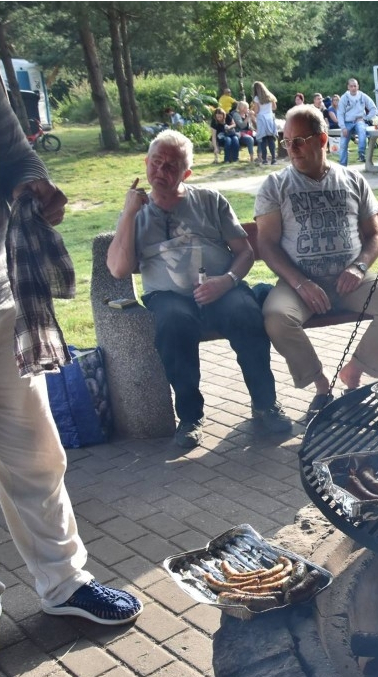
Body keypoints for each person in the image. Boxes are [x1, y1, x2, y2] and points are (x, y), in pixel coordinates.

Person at [0, 49, 143, 659]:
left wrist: (33, 181)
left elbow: (10, 143)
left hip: (2, 296)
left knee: (36, 451)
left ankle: (64, 582)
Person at [107, 130, 292, 448]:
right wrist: (127, 213)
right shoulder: (135, 213)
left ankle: (265, 404)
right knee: (174, 322)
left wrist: (228, 281)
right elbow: (119, 269)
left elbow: (245, 252)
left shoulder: (210, 200)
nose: (161, 171)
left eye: (172, 165)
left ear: (186, 172)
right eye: (156, 162)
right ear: (146, 163)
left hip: (222, 287)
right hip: (167, 296)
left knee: (245, 312)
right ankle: (190, 417)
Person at [254, 106, 378, 417]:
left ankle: (355, 370)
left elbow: (375, 234)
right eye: (286, 141)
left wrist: (359, 267)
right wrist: (300, 282)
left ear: (323, 139)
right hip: (298, 283)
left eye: (299, 140)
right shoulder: (275, 186)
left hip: (351, 280)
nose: (292, 149)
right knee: (275, 317)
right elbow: (267, 244)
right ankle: (321, 385)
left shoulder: (352, 179)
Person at [337, 78, 377, 166]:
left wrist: (366, 118)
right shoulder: (344, 98)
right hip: (347, 122)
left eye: (355, 86)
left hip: (359, 120)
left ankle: (361, 153)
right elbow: (340, 113)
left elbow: (374, 109)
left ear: (358, 86)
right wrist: (343, 127)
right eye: (351, 86)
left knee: (362, 131)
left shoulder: (363, 96)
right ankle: (343, 165)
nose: (353, 88)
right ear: (348, 87)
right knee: (343, 143)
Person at [251, 81, 278, 165]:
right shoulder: (270, 96)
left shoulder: (256, 98)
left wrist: (252, 113)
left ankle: (265, 159)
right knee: (271, 139)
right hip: (270, 118)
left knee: (263, 140)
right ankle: (273, 158)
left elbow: (257, 110)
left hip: (261, 119)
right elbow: (274, 108)